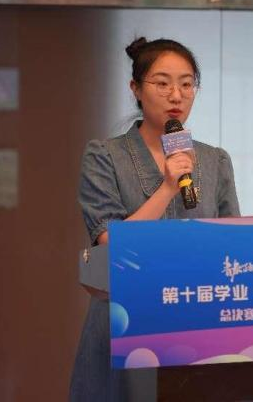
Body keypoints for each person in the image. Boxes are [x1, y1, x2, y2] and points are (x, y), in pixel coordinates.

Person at [69, 37, 240, 401]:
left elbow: (232, 244)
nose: (176, 95)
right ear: (136, 88)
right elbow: (111, 243)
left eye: (187, 84)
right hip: (123, 322)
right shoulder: (104, 156)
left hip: (196, 321)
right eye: (162, 83)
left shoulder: (215, 160)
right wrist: (167, 188)